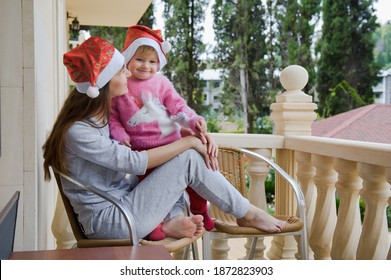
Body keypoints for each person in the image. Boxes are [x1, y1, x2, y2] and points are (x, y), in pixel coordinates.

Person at [42, 37, 286, 242]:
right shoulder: (79, 131)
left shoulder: (102, 119)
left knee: (185, 156)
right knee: (189, 157)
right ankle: (247, 213)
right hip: (111, 220)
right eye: (121, 70)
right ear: (103, 84)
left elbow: (152, 136)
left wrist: (189, 132)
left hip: (123, 205)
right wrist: (189, 143)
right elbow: (135, 162)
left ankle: (168, 222)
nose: (128, 73)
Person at [109, 25, 214, 239]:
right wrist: (121, 136)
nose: (146, 66)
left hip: (171, 144)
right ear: (128, 58)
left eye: (152, 61)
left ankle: (200, 207)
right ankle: (155, 221)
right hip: (144, 154)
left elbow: (178, 106)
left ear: (159, 63)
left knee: (193, 180)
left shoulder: (161, 82)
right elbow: (113, 118)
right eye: (140, 60)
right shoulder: (120, 86)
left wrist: (194, 120)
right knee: (152, 190)